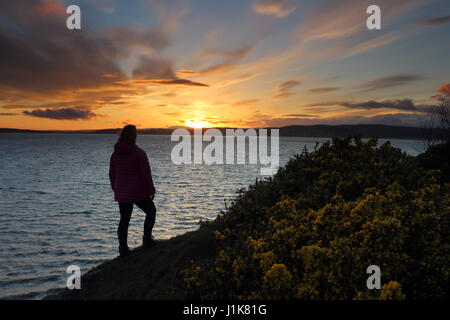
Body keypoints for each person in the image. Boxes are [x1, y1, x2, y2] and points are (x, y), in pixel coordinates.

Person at [109, 124, 156, 257]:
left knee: (124, 220)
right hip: (137, 192)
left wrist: (116, 188)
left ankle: (123, 248)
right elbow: (145, 175)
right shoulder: (139, 153)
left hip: (122, 192)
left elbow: (112, 174)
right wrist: (151, 190)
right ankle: (147, 239)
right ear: (134, 136)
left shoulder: (115, 154)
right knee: (151, 211)